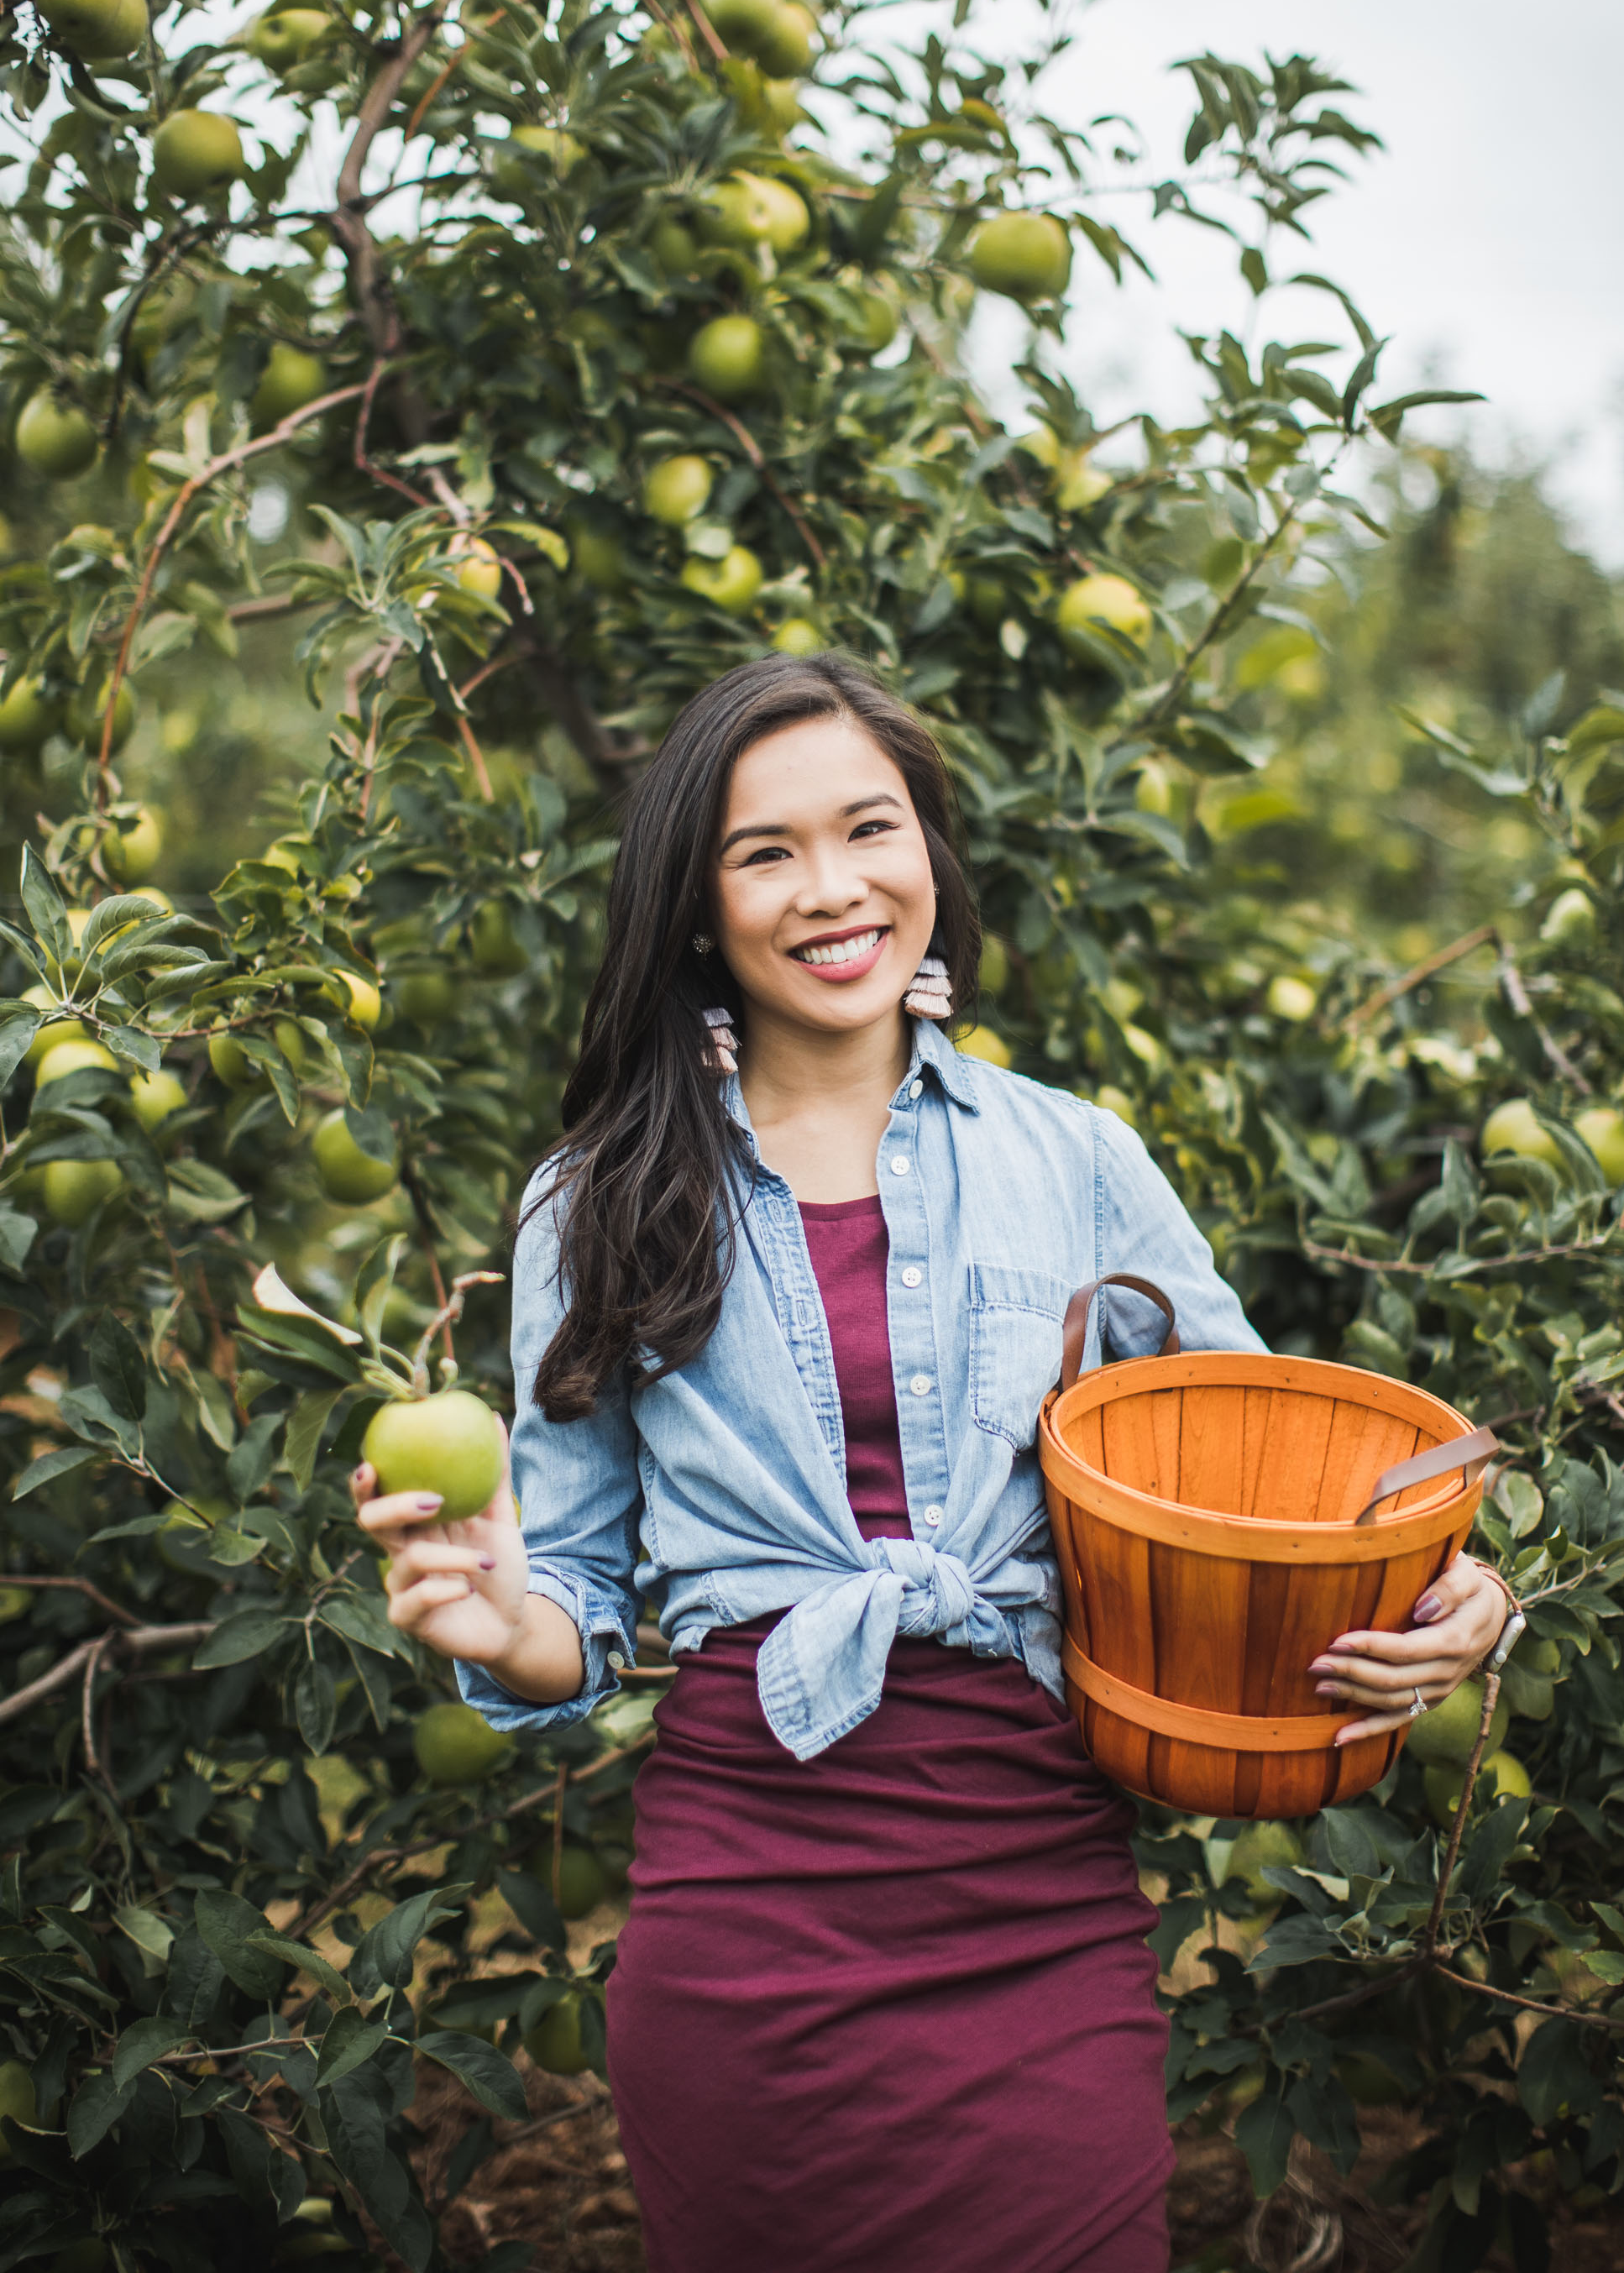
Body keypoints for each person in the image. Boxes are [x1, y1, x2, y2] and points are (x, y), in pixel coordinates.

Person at [354, 652, 1509, 2272]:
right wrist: (505, 1621)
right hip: (749, 1918)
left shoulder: (1077, 1163)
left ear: (929, 857)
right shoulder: (600, 1200)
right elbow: (582, 1604)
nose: (832, 890)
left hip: (1036, 1896)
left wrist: (1466, 1590)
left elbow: (1289, 1473)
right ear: (698, 907)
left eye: (868, 830)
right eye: (765, 853)